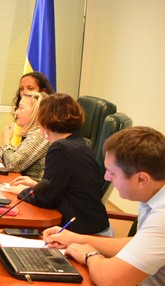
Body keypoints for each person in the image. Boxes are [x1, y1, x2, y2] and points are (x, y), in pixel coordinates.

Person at [43, 126, 165, 286]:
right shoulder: (162, 189)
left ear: (141, 179)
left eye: (112, 172)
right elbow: (139, 243)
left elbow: (110, 280)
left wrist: (89, 254)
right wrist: (76, 238)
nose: (106, 177)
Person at [11, 93, 110, 235]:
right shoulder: (78, 142)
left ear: (44, 121)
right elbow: (64, 186)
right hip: (94, 226)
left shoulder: (60, 148)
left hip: (85, 234)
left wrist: (24, 192)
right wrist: (36, 185)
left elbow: (47, 199)